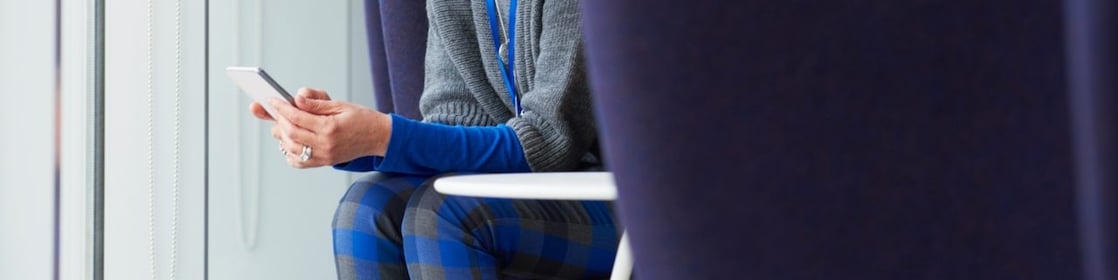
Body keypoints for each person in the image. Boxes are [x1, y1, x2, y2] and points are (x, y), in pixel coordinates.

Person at [247, 0, 619, 278]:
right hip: (540, 195)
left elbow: (550, 141)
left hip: (632, 204)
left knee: (443, 214)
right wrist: (351, 141)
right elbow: (454, 121)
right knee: (366, 208)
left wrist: (382, 136)